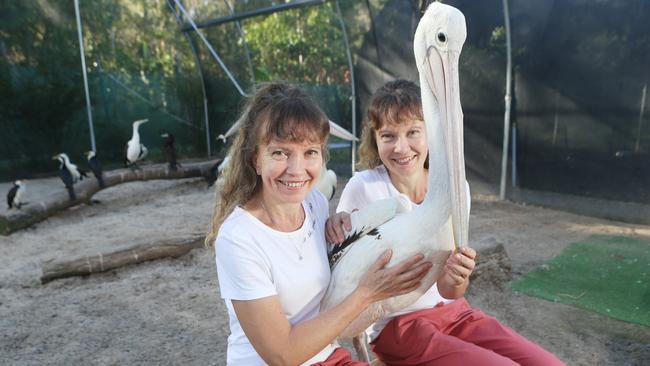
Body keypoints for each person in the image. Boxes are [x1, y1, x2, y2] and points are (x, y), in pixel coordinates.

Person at [327, 80, 565, 365]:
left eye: (413, 132)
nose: (401, 148)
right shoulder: (364, 188)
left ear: (431, 134)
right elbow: (339, 272)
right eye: (388, 136)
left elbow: (450, 290)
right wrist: (334, 228)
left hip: (456, 313)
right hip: (399, 326)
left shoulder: (454, 188)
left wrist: (458, 276)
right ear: (374, 139)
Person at [206, 82, 433, 365]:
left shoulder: (314, 203)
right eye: (280, 153)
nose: (296, 169)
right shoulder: (239, 238)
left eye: (310, 152)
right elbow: (282, 355)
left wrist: (335, 225)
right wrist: (367, 294)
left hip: (329, 356)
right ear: (255, 159)